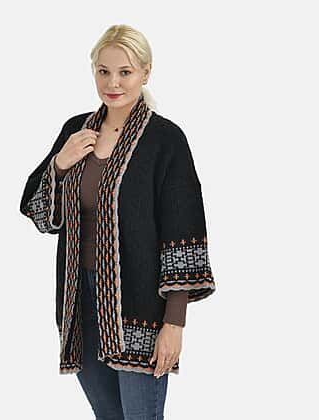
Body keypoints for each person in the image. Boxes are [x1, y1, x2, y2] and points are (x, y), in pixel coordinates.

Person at [20, 24, 216, 419]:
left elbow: (184, 232)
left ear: (146, 72)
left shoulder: (165, 140)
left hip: (141, 309)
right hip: (80, 304)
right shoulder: (77, 131)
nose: (113, 83)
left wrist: (174, 324)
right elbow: (38, 213)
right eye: (103, 71)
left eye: (125, 72)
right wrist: (60, 164)